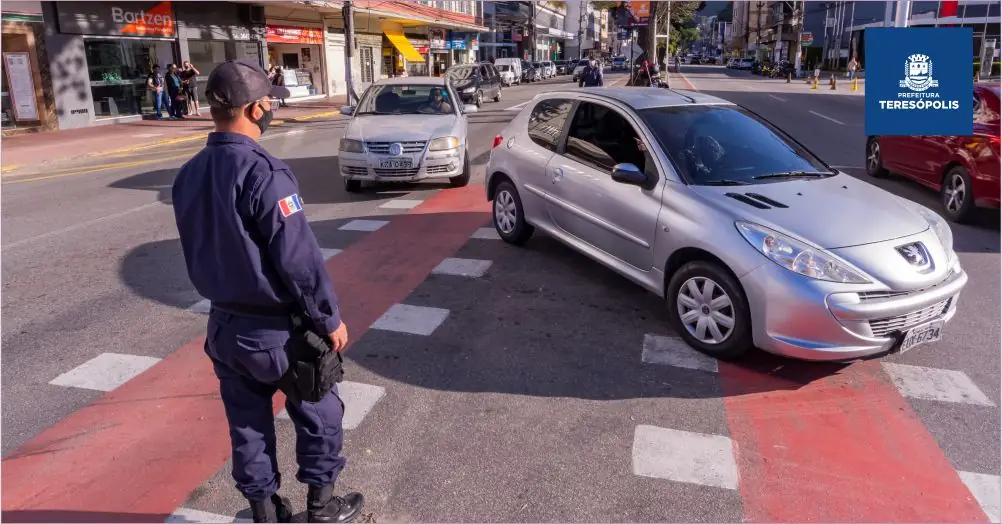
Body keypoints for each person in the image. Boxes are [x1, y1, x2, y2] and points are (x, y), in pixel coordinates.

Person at [171, 59, 365, 524]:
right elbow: (298, 259)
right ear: (255, 108)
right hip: (281, 333)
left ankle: (264, 513)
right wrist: (329, 318)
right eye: (269, 104)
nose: (271, 111)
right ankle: (320, 509)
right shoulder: (264, 172)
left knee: (247, 426)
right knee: (320, 414)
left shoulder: (190, 173)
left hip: (225, 327)